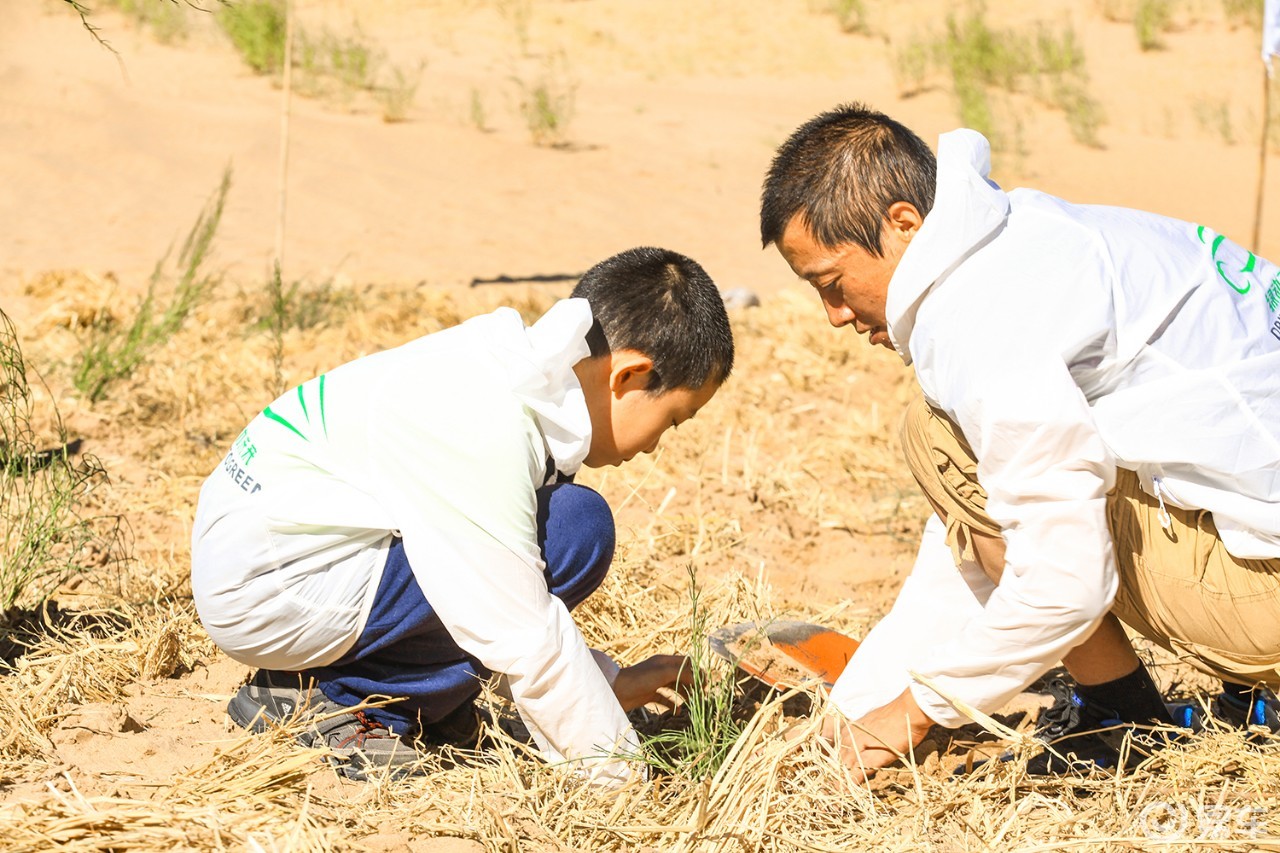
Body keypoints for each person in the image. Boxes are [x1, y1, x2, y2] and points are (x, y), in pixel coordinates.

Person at [759, 102, 1280, 777]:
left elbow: (1065, 580)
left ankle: (1119, 722)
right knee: (973, 455)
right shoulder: (1025, 231)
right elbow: (966, 539)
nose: (832, 316)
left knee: (940, 440)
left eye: (832, 284)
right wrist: (869, 703)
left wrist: (914, 711)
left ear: (904, 224)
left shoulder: (979, 316)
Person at [191, 246, 734, 784]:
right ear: (628, 377)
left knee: (564, 525)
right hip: (275, 589)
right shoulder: (486, 422)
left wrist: (611, 684)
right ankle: (342, 699)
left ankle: (410, 694)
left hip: (291, 562)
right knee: (572, 531)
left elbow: (508, 601)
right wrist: (618, 776)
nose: (657, 446)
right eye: (672, 420)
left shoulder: (513, 372)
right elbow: (517, 630)